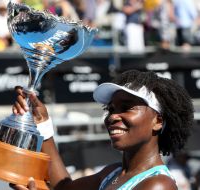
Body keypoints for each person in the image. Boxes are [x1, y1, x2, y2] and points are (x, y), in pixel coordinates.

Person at [10, 70, 194, 190]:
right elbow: (63, 188)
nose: (113, 116)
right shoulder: (111, 173)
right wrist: (42, 124)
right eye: (111, 109)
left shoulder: (158, 185)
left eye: (127, 107)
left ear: (158, 121)